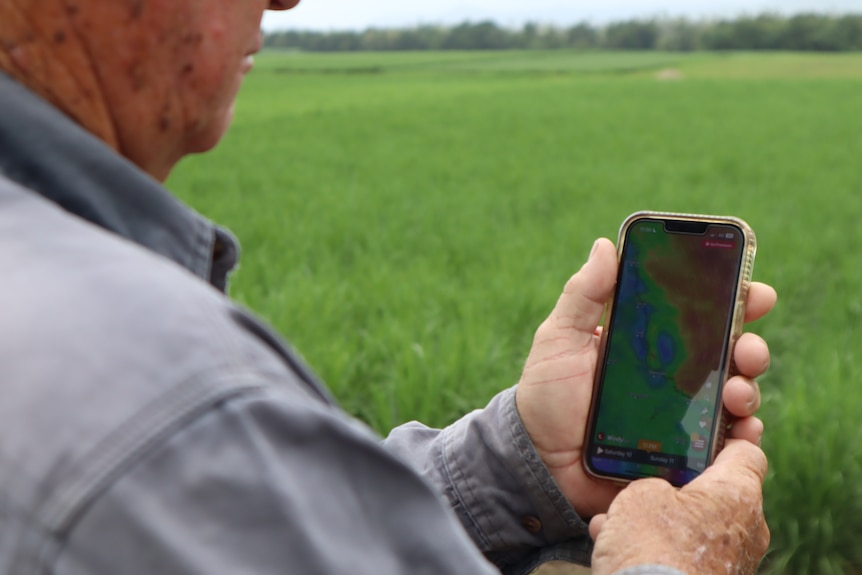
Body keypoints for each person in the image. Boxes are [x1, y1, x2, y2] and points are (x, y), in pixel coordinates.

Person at [0, 1, 776, 574]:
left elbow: (290, 540)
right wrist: (672, 564)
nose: (285, 0)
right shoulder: (170, 411)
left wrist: (522, 459)